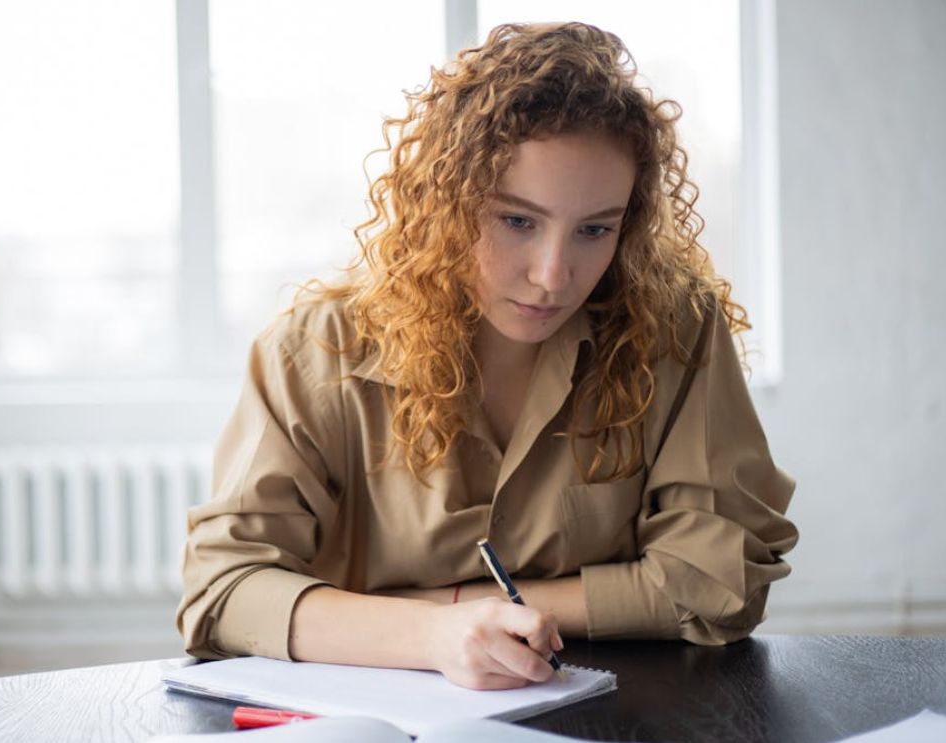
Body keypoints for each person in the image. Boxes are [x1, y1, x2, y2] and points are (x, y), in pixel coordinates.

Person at [176, 21, 798, 691]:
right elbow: (223, 589)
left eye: (595, 229)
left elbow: (720, 578)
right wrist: (431, 634)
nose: (553, 274)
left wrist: (469, 608)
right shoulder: (314, 351)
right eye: (516, 220)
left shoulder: (673, 329)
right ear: (445, 203)